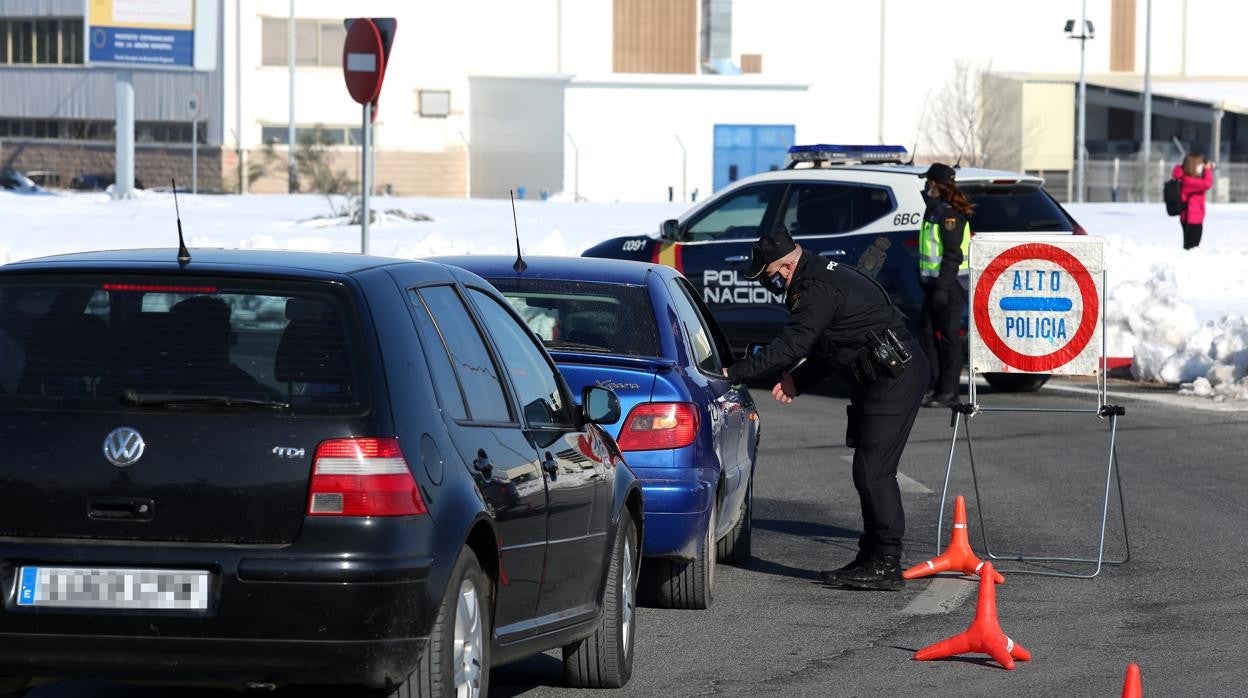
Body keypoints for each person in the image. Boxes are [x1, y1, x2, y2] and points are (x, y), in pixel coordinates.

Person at [725, 227, 929, 590]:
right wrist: (798, 382)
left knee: (874, 471)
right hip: (878, 375)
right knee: (867, 468)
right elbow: (829, 343)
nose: (767, 286)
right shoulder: (816, 274)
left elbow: (792, 347)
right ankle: (871, 556)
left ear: (785, 268)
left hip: (893, 375)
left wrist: (731, 374)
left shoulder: (815, 288)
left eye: (768, 278)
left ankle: (886, 563)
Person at [916, 162, 973, 408]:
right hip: (936, 285)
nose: (925, 186)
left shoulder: (949, 215)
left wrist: (941, 288)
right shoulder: (936, 210)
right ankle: (936, 385)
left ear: (934, 184)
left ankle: (949, 391)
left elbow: (952, 255)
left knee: (948, 338)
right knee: (926, 334)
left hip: (950, 285)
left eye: (927, 182)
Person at [1172, 153, 1214, 250]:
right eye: (1200, 164)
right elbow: (1207, 184)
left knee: (1189, 247)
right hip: (1192, 219)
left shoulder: (1184, 178)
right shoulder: (1188, 181)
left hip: (1190, 218)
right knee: (1192, 249)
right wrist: (1207, 170)